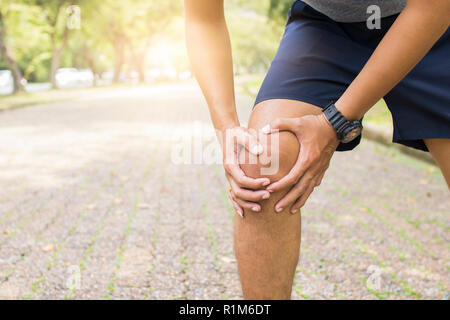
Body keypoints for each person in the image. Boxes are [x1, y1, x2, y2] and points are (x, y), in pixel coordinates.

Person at [184, 0, 450, 299]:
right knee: (262, 159)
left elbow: (434, 6)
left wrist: (333, 121)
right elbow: (202, 19)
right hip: (326, 28)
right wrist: (227, 126)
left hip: (435, 20)